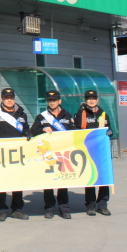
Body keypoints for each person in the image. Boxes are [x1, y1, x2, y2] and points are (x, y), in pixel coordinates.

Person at [0, 87, 31, 222]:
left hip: (17, 153)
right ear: (2, 99)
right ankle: (1, 210)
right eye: (6, 98)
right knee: (1, 182)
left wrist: (27, 133)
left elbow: (25, 129)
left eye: (11, 98)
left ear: (14, 99)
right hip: (0, 153)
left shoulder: (22, 114)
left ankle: (17, 210)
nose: (9, 100)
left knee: (17, 183)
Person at [31, 89, 76, 220]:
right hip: (48, 154)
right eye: (50, 100)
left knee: (62, 182)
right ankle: (49, 209)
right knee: (49, 182)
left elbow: (74, 132)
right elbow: (33, 131)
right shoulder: (41, 117)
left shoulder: (67, 116)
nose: (52, 102)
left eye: (54, 100)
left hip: (63, 153)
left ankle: (64, 209)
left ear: (59, 101)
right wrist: (42, 129)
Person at [75, 89, 113, 216]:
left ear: (97, 100)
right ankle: (90, 205)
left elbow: (109, 129)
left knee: (103, 179)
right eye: (88, 99)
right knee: (90, 178)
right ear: (85, 100)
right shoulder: (80, 114)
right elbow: (76, 131)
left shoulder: (103, 114)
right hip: (88, 150)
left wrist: (110, 132)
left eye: (93, 98)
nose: (91, 101)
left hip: (102, 151)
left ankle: (102, 205)